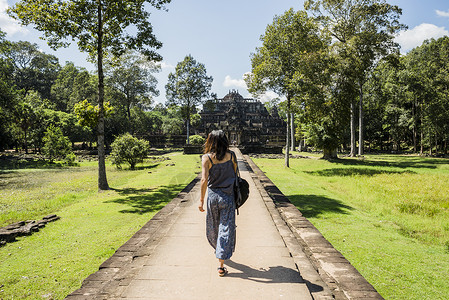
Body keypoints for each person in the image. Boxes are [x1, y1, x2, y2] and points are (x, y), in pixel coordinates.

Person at [198, 130, 237, 277]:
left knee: (213, 226)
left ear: (210, 141)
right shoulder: (231, 155)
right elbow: (234, 175)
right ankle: (221, 263)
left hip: (213, 197)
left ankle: (219, 250)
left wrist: (201, 200)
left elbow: (204, 180)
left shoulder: (206, 158)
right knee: (226, 227)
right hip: (228, 197)